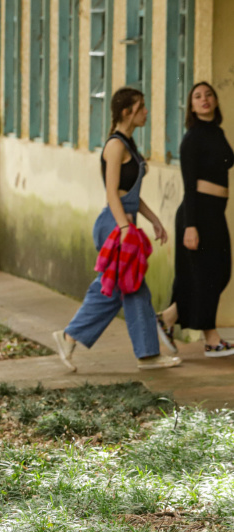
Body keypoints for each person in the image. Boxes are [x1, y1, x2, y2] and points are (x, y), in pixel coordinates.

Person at [52, 88, 181, 371]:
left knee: (123, 289)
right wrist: (124, 226)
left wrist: (154, 219)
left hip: (125, 221)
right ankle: (141, 353)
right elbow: (112, 192)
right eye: (141, 107)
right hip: (115, 224)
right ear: (127, 112)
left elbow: (131, 192)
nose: (146, 112)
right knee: (122, 288)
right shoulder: (115, 146)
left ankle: (76, 337)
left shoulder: (128, 143)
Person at [158, 82, 234, 358]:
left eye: (208, 95)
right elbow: (189, 185)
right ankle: (211, 339)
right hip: (197, 213)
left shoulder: (218, 133)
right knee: (207, 275)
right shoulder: (192, 138)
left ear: (215, 101)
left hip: (214, 213)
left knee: (218, 272)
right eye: (197, 97)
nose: (204, 99)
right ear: (191, 106)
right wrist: (190, 225)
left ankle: (168, 317)